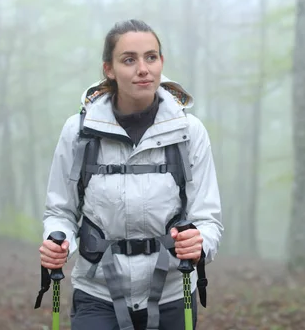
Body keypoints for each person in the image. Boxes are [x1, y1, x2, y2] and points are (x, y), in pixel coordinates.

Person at [38, 19, 223, 330]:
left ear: (161, 62)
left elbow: (208, 218)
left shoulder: (189, 132)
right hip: (97, 292)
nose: (143, 69)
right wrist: (58, 243)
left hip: (173, 292)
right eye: (129, 59)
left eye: (151, 57)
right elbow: (60, 211)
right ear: (109, 69)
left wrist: (200, 242)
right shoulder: (79, 131)